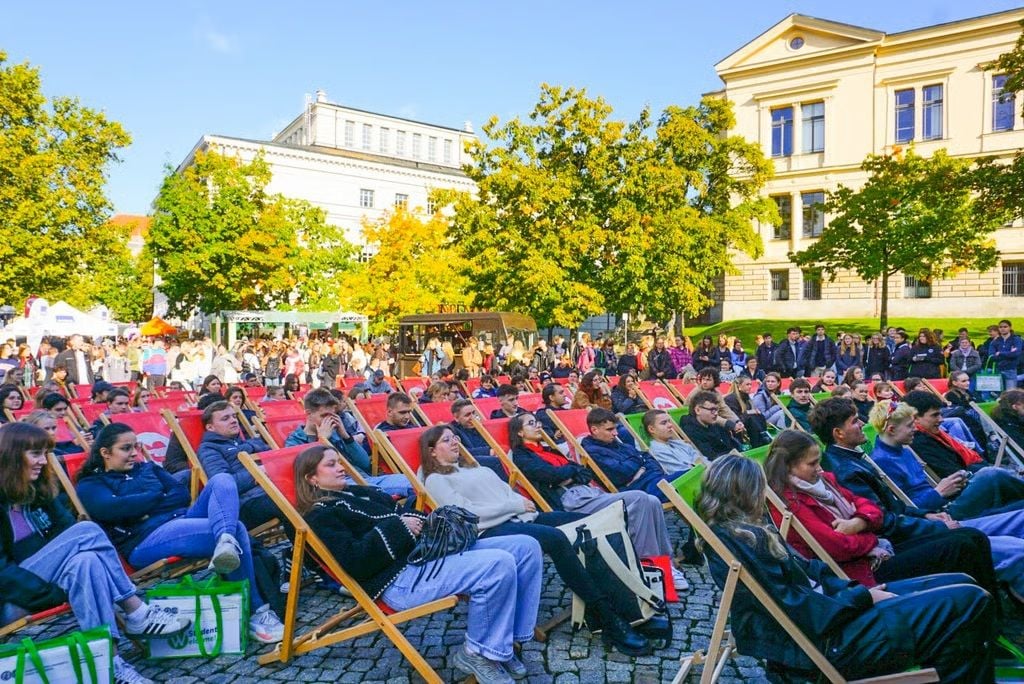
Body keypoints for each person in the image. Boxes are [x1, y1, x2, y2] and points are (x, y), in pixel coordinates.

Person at [699, 454, 995, 682]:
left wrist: (856, 592)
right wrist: (862, 598)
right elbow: (797, 607)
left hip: (836, 613)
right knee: (968, 601)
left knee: (962, 581)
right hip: (832, 640)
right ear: (746, 493)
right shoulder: (741, 540)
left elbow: (812, 573)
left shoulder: (747, 530)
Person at [295, 445, 542, 683]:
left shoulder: (359, 493)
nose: (341, 467)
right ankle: (477, 654)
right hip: (399, 580)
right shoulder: (320, 515)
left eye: (339, 461)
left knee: (525, 547)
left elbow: (403, 513)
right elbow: (356, 561)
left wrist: (414, 520)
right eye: (331, 465)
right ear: (312, 478)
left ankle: (506, 641)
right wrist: (401, 527)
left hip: (425, 556)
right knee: (497, 564)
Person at [418, 425, 653, 655]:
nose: (455, 442)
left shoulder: (473, 469)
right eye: (447, 440)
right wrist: (514, 506)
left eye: (455, 437)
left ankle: (627, 603)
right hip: (492, 529)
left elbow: (507, 492)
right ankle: (607, 616)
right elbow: (466, 515)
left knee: (591, 521)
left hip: (521, 516)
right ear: (432, 451)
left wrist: (519, 507)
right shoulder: (435, 479)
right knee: (556, 539)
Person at [0, 423, 195, 684]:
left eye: (44, 454)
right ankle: (134, 608)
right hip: (14, 596)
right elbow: (3, 572)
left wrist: (64, 578)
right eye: (35, 454)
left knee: (87, 561)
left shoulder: (38, 491)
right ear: (11, 456)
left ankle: (110, 664)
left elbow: (65, 533)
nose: (42, 462)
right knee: (88, 530)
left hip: (48, 576)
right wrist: (51, 593)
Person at [76, 423, 285, 645]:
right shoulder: (91, 483)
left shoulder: (147, 469)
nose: (134, 453)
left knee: (222, 481)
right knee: (238, 528)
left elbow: (181, 494)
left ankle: (225, 541)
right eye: (126, 448)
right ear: (105, 453)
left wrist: (143, 506)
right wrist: (156, 495)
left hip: (182, 520)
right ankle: (257, 611)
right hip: (145, 540)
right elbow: (111, 508)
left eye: (136, 447)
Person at [809, 398, 1002, 603]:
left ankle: (991, 609)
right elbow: (882, 520)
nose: (862, 424)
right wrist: (933, 526)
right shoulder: (845, 469)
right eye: (855, 421)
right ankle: (988, 612)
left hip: (902, 528)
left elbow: (891, 508)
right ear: (838, 433)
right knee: (968, 539)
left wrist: (925, 515)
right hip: (890, 545)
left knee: (973, 535)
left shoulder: (851, 460)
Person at [508, 414, 681, 576]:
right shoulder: (522, 456)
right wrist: (570, 471)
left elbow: (584, 473)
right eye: (531, 423)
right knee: (640, 497)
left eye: (537, 421)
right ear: (520, 432)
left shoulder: (549, 451)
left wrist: (569, 473)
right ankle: (650, 567)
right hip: (570, 499)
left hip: (588, 492)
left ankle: (667, 565)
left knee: (652, 501)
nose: (538, 425)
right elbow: (549, 475)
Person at [284, 388, 413, 497]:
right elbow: (305, 476)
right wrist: (322, 441)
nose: (329, 420)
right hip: (337, 487)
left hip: (363, 479)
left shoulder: (335, 433)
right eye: (324, 416)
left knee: (412, 481)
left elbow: (365, 464)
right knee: (383, 493)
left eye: (333, 415)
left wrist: (345, 436)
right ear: (309, 414)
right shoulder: (296, 441)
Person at [196, 401, 283, 529]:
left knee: (310, 494)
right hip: (245, 503)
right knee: (297, 501)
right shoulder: (209, 449)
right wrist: (259, 472)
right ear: (210, 428)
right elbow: (225, 485)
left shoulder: (246, 443)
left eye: (234, 416)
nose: (233, 420)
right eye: (225, 418)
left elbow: (277, 459)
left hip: (271, 490)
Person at [580, 408, 687, 502]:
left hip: (654, 480)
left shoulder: (618, 445)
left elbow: (650, 458)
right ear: (594, 430)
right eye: (610, 429)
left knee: (693, 475)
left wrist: (641, 467)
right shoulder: (593, 452)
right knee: (692, 480)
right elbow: (622, 473)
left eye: (615, 428)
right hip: (640, 491)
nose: (616, 433)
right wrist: (641, 462)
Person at [902, 390, 988, 478]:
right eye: (935, 415)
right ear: (915, 418)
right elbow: (953, 474)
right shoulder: (920, 441)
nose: (941, 419)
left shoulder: (930, 434)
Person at [680, 390, 742, 460]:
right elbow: (711, 457)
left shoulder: (713, 424)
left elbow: (732, 445)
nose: (716, 413)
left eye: (716, 410)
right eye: (712, 410)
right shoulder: (691, 430)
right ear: (698, 410)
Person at [643, 409, 701, 473]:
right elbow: (683, 472)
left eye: (669, 421)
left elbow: (701, 459)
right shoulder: (656, 451)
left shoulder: (679, 443)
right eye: (664, 423)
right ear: (651, 429)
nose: (670, 425)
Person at [723, 377, 771, 448]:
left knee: (759, 416)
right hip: (734, 422)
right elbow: (734, 416)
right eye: (747, 384)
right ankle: (758, 442)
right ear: (739, 386)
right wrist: (749, 412)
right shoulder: (731, 398)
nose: (750, 387)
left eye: (751, 384)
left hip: (744, 420)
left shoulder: (746, 397)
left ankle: (763, 435)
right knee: (752, 418)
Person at [990, 320, 1022, 391]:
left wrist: (1000, 353)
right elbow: (992, 356)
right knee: (998, 395)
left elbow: (1016, 354)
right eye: (1000, 327)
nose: (1003, 328)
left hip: (1011, 369)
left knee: (1011, 394)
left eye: (1005, 327)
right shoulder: (995, 341)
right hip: (998, 369)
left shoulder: (1016, 339)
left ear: (1010, 327)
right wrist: (1009, 353)